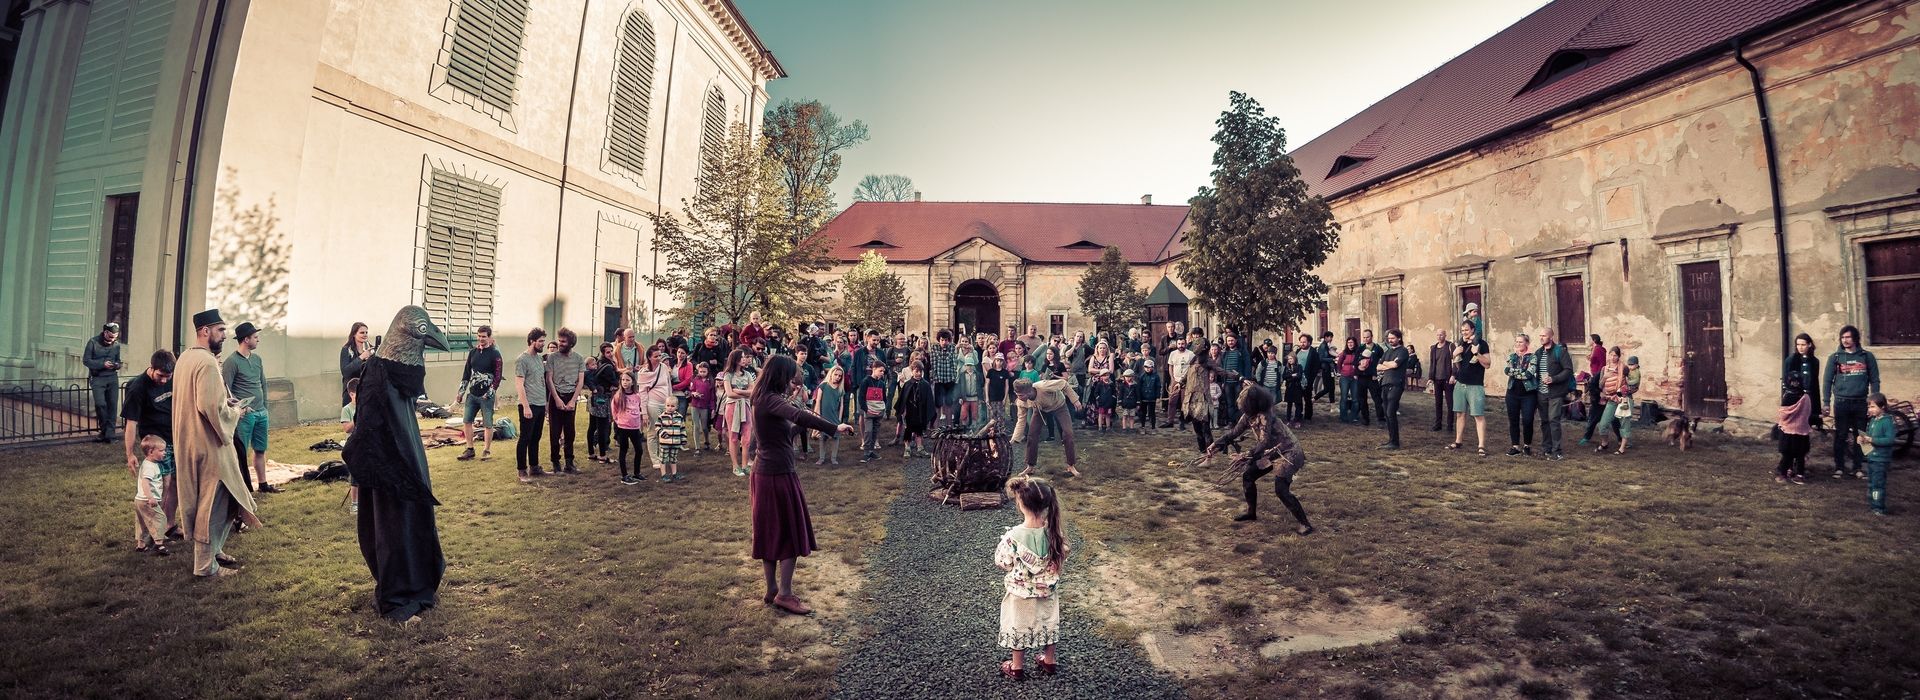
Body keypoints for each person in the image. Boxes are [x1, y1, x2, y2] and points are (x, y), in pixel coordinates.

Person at [344, 305, 450, 624]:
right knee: (393, 527)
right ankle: (397, 596)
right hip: (386, 468)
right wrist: (389, 470)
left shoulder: (396, 373)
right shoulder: (377, 371)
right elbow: (369, 427)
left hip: (404, 459)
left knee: (413, 520)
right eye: (420, 333)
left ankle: (417, 581)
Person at [749, 355, 855, 615]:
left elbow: (786, 429)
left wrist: (802, 426)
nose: (793, 382)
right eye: (791, 377)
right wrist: (834, 427)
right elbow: (798, 415)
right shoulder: (771, 400)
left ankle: (773, 589)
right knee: (788, 532)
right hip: (777, 474)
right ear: (781, 377)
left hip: (767, 472)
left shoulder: (763, 398)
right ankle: (784, 594)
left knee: (770, 531)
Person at [171, 308, 261, 578]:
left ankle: (216, 549)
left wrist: (226, 403)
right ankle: (205, 566)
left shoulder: (186, 358)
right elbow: (210, 406)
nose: (225, 335)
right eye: (221, 330)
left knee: (219, 500)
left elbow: (205, 400)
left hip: (189, 439)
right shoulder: (207, 362)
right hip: (209, 443)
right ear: (205, 331)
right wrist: (234, 411)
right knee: (213, 503)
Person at [1205, 384, 1312, 534]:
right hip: (1271, 452)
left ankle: (1305, 524)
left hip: (1288, 452)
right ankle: (1251, 513)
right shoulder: (1248, 416)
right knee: (1248, 476)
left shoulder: (1265, 416)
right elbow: (1234, 432)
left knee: (1281, 489)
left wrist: (1246, 454)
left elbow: (1264, 442)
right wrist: (1215, 444)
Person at [995, 475, 1067, 681]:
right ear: (1047, 504)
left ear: (1020, 502)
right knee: (1049, 621)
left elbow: (1003, 562)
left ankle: (1017, 667)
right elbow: (1064, 552)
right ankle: (1049, 661)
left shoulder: (1013, 537)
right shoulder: (1053, 531)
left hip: (1020, 594)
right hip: (1047, 591)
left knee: (1019, 625)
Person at [122, 349, 179, 543]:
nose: (164, 381)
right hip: (156, 444)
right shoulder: (138, 387)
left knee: (175, 486)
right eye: (160, 376)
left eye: (168, 376)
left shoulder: (174, 378)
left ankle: (169, 525)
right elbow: (131, 423)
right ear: (152, 367)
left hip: (176, 439)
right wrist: (130, 454)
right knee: (158, 488)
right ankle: (154, 534)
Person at [223, 322, 275, 493]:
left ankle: (263, 484)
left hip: (261, 412)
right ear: (246, 339)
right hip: (244, 415)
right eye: (255, 337)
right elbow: (226, 390)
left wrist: (265, 407)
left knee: (260, 449)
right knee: (241, 452)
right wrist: (239, 409)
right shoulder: (232, 362)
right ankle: (243, 488)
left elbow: (263, 383)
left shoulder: (257, 359)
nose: (257, 340)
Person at [1824, 326, 1880, 480]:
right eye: (1843, 337)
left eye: (1848, 337)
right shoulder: (1835, 358)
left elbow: (1874, 380)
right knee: (1840, 436)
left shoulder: (1867, 356)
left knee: (1861, 436)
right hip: (1841, 403)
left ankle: (1858, 468)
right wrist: (1826, 402)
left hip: (1861, 403)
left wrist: (1873, 403)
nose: (1845, 340)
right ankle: (1839, 468)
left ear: (1855, 338)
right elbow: (1827, 381)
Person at [1014, 377, 1085, 478]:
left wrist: (1075, 400)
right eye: (1017, 395)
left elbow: (1064, 384)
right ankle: (1030, 466)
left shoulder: (1043, 386)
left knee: (1068, 433)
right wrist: (1014, 439)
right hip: (1040, 409)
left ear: (1029, 391)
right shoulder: (1020, 402)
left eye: (1021, 395)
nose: (1019, 397)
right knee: (1032, 435)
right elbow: (1021, 420)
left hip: (1059, 406)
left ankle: (1071, 465)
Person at [456, 326, 503, 462]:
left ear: (489, 337)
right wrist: (461, 392)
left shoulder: (495, 354)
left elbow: (498, 376)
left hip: (486, 396)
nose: (481, 339)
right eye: (479, 336)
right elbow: (466, 373)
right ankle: (469, 449)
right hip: (472, 394)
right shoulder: (473, 353)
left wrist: (490, 392)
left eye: (484, 336)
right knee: (467, 421)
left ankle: (486, 450)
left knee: (488, 423)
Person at [545, 328, 587, 475]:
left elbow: (580, 381)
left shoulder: (579, 359)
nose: (560, 343)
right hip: (556, 396)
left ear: (571, 343)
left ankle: (569, 463)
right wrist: (556, 399)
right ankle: (555, 463)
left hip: (571, 397)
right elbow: (549, 379)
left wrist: (573, 401)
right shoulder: (552, 358)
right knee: (554, 432)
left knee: (570, 432)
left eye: (563, 341)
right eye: (559, 340)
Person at [1448, 321, 1492, 456]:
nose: (1464, 333)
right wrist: (1454, 354)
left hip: (1475, 385)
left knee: (1478, 415)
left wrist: (1477, 354)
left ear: (1473, 330)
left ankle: (1481, 446)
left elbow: (1488, 364)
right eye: (1462, 331)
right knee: (1460, 414)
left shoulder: (1481, 344)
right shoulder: (1461, 344)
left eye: (1466, 330)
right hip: (1460, 384)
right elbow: (1456, 364)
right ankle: (1458, 441)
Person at [1533, 328, 1576, 462]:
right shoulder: (1538, 353)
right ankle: (1546, 448)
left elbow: (1568, 370)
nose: (1541, 338)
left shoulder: (1560, 352)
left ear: (1551, 337)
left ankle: (1557, 450)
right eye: (1540, 335)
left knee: (1554, 420)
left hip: (1555, 393)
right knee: (1544, 421)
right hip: (1541, 393)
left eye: (1544, 335)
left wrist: (1554, 379)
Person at [514, 328, 550, 481]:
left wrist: (546, 404)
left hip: (540, 403)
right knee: (525, 438)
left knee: (536, 437)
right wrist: (526, 406)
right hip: (528, 404)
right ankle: (522, 470)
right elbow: (519, 384)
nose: (543, 344)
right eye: (540, 341)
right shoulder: (522, 359)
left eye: (543, 341)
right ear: (531, 341)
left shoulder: (538, 358)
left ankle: (534, 467)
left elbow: (541, 382)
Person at [1593, 350, 1640, 454]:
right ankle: (1604, 443)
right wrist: (1605, 377)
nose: (1613, 357)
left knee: (1624, 424)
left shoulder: (1624, 368)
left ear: (1618, 357)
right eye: (1611, 355)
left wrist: (1624, 392)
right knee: (1603, 425)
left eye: (1615, 355)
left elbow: (1635, 385)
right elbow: (1600, 385)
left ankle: (1622, 448)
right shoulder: (1604, 369)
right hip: (1611, 399)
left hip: (1624, 400)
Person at [85, 322, 124, 444]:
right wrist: (102, 364)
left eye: (115, 336)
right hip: (98, 378)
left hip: (112, 377)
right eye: (111, 336)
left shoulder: (116, 345)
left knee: (112, 406)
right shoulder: (93, 342)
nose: (113, 339)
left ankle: (110, 436)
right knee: (101, 405)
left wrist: (117, 365)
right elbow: (86, 360)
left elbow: (118, 360)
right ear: (105, 332)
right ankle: (104, 431)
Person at [721, 349, 758, 476]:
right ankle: (735, 465)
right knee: (733, 436)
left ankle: (744, 464)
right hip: (732, 407)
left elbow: (753, 392)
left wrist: (739, 391)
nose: (744, 359)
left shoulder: (747, 374)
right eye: (742, 357)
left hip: (746, 406)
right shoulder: (728, 375)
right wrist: (744, 393)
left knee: (747, 436)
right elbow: (729, 393)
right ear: (736, 359)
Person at [1502, 334, 1539, 457]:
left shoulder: (1533, 357)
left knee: (1528, 420)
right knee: (1513, 420)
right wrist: (1521, 371)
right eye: (1516, 342)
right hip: (1512, 393)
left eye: (1521, 342)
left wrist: (1515, 372)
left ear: (1526, 343)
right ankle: (1515, 446)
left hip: (1528, 394)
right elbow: (1507, 371)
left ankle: (1527, 445)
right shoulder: (1512, 356)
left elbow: (1529, 374)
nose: (1518, 344)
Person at [1376, 330, 1412, 450]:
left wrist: (1387, 364)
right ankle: (1391, 440)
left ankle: (1395, 442)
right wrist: (1388, 364)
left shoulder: (1403, 351)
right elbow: (1378, 366)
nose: (1390, 340)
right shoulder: (1388, 351)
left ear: (1399, 338)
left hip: (1396, 384)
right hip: (1385, 384)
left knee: (1391, 412)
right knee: (1386, 413)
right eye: (1389, 338)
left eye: (1393, 338)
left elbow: (1395, 365)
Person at [1862, 393, 1895, 515]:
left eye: (1873, 407)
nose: (1870, 410)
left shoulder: (1887, 421)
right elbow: (1869, 436)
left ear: (1883, 407)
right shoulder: (1873, 420)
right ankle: (1873, 504)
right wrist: (1863, 439)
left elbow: (1889, 440)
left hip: (1881, 459)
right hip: (1872, 457)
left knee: (1878, 484)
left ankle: (1879, 508)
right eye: (1869, 407)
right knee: (1871, 482)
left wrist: (1872, 440)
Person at [611, 372, 647, 484]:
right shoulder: (618, 396)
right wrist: (618, 421)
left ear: (632, 382)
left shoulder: (637, 396)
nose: (625, 382)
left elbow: (640, 409)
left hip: (635, 427)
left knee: (639, 450)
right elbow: (614, 410)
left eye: (627, 380)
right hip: (623, 427)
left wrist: (640, 423)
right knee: (623, 450)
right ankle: (624, 475)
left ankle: (637, 473)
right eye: (623, 380)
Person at [1777, 375, 1812, 484]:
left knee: (1789, 453)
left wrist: (1782, 422)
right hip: (1801, 429)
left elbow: (1784, 413)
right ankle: (1795, 474)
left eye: (1796, 382)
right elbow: (1808, 412)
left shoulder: (1788, 395)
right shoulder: (1805, 396)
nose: (1795, 384)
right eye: (1793, 382)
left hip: (1790, 430)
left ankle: (1787, 474)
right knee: (1797, 453)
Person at [1783, 333, 1822, 429]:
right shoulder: (1790, 360)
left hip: (1809, 397)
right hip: (1795, 397)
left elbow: (1814, 382)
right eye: (1798, 344)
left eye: (1803, 345)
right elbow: (1786, 380)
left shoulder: (1814, 361)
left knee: (1806, 423)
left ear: (1809, 345)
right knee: (1794, 424)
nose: (1800, 347)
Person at [895, 363, 934, 458]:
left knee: (919, 429)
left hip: (920, 412)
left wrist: (928, 413)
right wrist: (903, 411)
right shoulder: (908, 384)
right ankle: (907, 448)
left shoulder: (925, 385)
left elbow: (929, 400)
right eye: (916, 371)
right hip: (909, 411)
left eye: (921, 371)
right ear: (912, 371)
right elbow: (902, 399)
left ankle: (920, 447)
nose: (919, 374)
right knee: (908, 430)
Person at [813, 366, 847, 465]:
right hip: (824, 415)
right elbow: (818, 401)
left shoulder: (840, 389)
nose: (837, 377)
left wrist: (839, 418)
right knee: (823, 437)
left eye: (840, 376)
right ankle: (821, 458)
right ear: (831, 374)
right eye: (836, 374)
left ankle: (833, 458)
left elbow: (841, 405)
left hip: (834, 416)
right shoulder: (823, 385)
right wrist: (817, 414)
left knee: (836, 437)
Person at [857, 362, 890, 462]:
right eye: (880, 371)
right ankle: (866, 452)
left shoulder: (882, 383)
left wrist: (883, 408)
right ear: (873, 369)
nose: (882, 373)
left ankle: (871, 451)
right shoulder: (866, 381)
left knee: (875, 431)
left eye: (883, 371)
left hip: (878, 411)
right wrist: (866, 410)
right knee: (868, 431)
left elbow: (884, 397)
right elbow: (861, 397)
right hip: (869, 411)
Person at [1218, 333, 1250, 427]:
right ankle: (1231, 422)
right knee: (1230, 403)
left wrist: (1245, 379)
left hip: (1239, 382)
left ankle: (1241, 423)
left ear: (1236, 341)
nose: (1230, 342)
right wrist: (1223, 382)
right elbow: (1222, 368)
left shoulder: (1242, 352)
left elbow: (1247, 366)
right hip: (1228, 382)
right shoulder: (1224, 353)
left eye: (1232, 340)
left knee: (1240, 403)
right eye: (1228, 341)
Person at [1581, 334, 1608, 445]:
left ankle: (1623, 439)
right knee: (1594, 416)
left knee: (1595, 416)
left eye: (1589, 339)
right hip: (1598, 389)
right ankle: (1587, 437)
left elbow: (1593, 360)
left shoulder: (1597, 349)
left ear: (1593, 340)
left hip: (1599, 386)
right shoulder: (1601, 349)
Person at [1427, 329, 1455, 432]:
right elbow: (1432, 363)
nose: (1439, 337)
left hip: (1448, 380)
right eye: (1438, 335)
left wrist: (1453, 375)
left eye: (1441, 335)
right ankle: (1438, 424)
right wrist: (1430, 378)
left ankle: (1450, 426)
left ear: (1445, 335)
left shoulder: (1450, 346)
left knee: (1450, 404)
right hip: (1437, 380)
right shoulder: (1433, 348)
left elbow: (1455, 362)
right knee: (1438, 403)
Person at [340, 322, 372, 406]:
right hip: (352, 391)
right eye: (362, 332)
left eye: (366, 332)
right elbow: (345, 372)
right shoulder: (346, 350)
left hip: (367, 390)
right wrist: (361, 358)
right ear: (354, 334)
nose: (365, 335)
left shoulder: (371, 350)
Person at [1354, 329, 1381, 426]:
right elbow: (1355, 361)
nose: (1365, 339)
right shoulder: (1360, 348)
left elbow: (1382, 361)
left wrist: (1376, 372)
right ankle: (1365, 419)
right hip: (1361, 377)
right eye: (1364, 337)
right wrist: (1357, 370)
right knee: (1362, 399)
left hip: (1372, 378)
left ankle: (1380, 418)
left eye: (1368, 337)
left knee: (1377, 398)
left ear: (1372, 336)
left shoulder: (1377, 348)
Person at [654, 402, 687, 483]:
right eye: (668, 405)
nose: (670, 407)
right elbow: (657, 427)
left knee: (673, 458)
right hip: (664, 443)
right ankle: (664, 475)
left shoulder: (679, 417)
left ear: (677, 407)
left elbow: (682, 428)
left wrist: (683, 439)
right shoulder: (661, 417)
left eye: (672, 406)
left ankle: (675, 474)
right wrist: (662, 434)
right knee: (663, 459)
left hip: (675, 442)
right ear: (665, 406)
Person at [689, 363, 717, 453]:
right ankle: (697, 447)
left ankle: (707, 441)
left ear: (708, 371)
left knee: (705, 427)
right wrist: (694, 394)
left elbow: (712, 397)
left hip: (705, 407)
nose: (702, 373)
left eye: (704, 371)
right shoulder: (695, 379)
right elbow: (691, 390)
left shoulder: (711, 382)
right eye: (700, 371)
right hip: (695, 405)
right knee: (696, 427)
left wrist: (713, 409)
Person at [343, 377, 361, 514]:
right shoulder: (347, 409)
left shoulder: (366, 406)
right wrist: (357, 418)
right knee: (355, 477)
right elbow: (347, 428)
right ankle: (354, 504)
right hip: (354, 446)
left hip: (366, 445)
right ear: (351, 394)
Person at [1166, 339, 1193, 430]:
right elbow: (1170, 366)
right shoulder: (1173, 354)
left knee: (1184, 402)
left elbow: (1192, 368)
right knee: (1171, 401)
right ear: (1176, 344)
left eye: (1182, 344)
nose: (1181, 345)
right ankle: (1170, 421)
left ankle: (1183, 421)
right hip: (1175, 380)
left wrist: (1187, 380)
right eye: (1179, 344)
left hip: (1186, 381)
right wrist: (1172, 378)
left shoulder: (1190, 354)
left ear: (1185, 344)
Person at [1293, 334, 1318, 423]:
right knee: (1298, 398)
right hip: (1297, 379)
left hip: (1307, 379)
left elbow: (1316, 367)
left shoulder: (1313, 352)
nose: (1302, 344)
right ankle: (1298, 415)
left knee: (1307, 399)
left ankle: (1308, 417)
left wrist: (1311, 379)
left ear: (1309, 342)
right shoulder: (1297, 351)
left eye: (1304, 342)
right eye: (1301, 342)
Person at [1337, 337, 1360, 424]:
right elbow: (1339, 363)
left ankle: (1354, 416)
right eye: (1348, 342)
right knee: (1344, 397)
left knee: (1355, 398)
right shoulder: (1344, 353)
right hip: (1345, 377)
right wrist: (1340, 372)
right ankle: (1343, 416)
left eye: (1352, 342)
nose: (1350, 344)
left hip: (1355, 378)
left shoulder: (1358, 352)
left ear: (1355, 343)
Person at [1137, 359, 1161, 433]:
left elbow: (1158, 387)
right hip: (1143, 398)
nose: (1148, 368)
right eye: (1146, 367)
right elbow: (1139, 388)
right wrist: (1139, 398)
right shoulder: (1141, 376)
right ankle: (1143, 426)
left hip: (1152, 398)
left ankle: (1153, 427)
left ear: (1153, 367)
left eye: (1150, 367)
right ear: (1144, 367)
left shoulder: (1156, 376)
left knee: (1152, 413)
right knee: (1142, 413)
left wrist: (1157, 397)